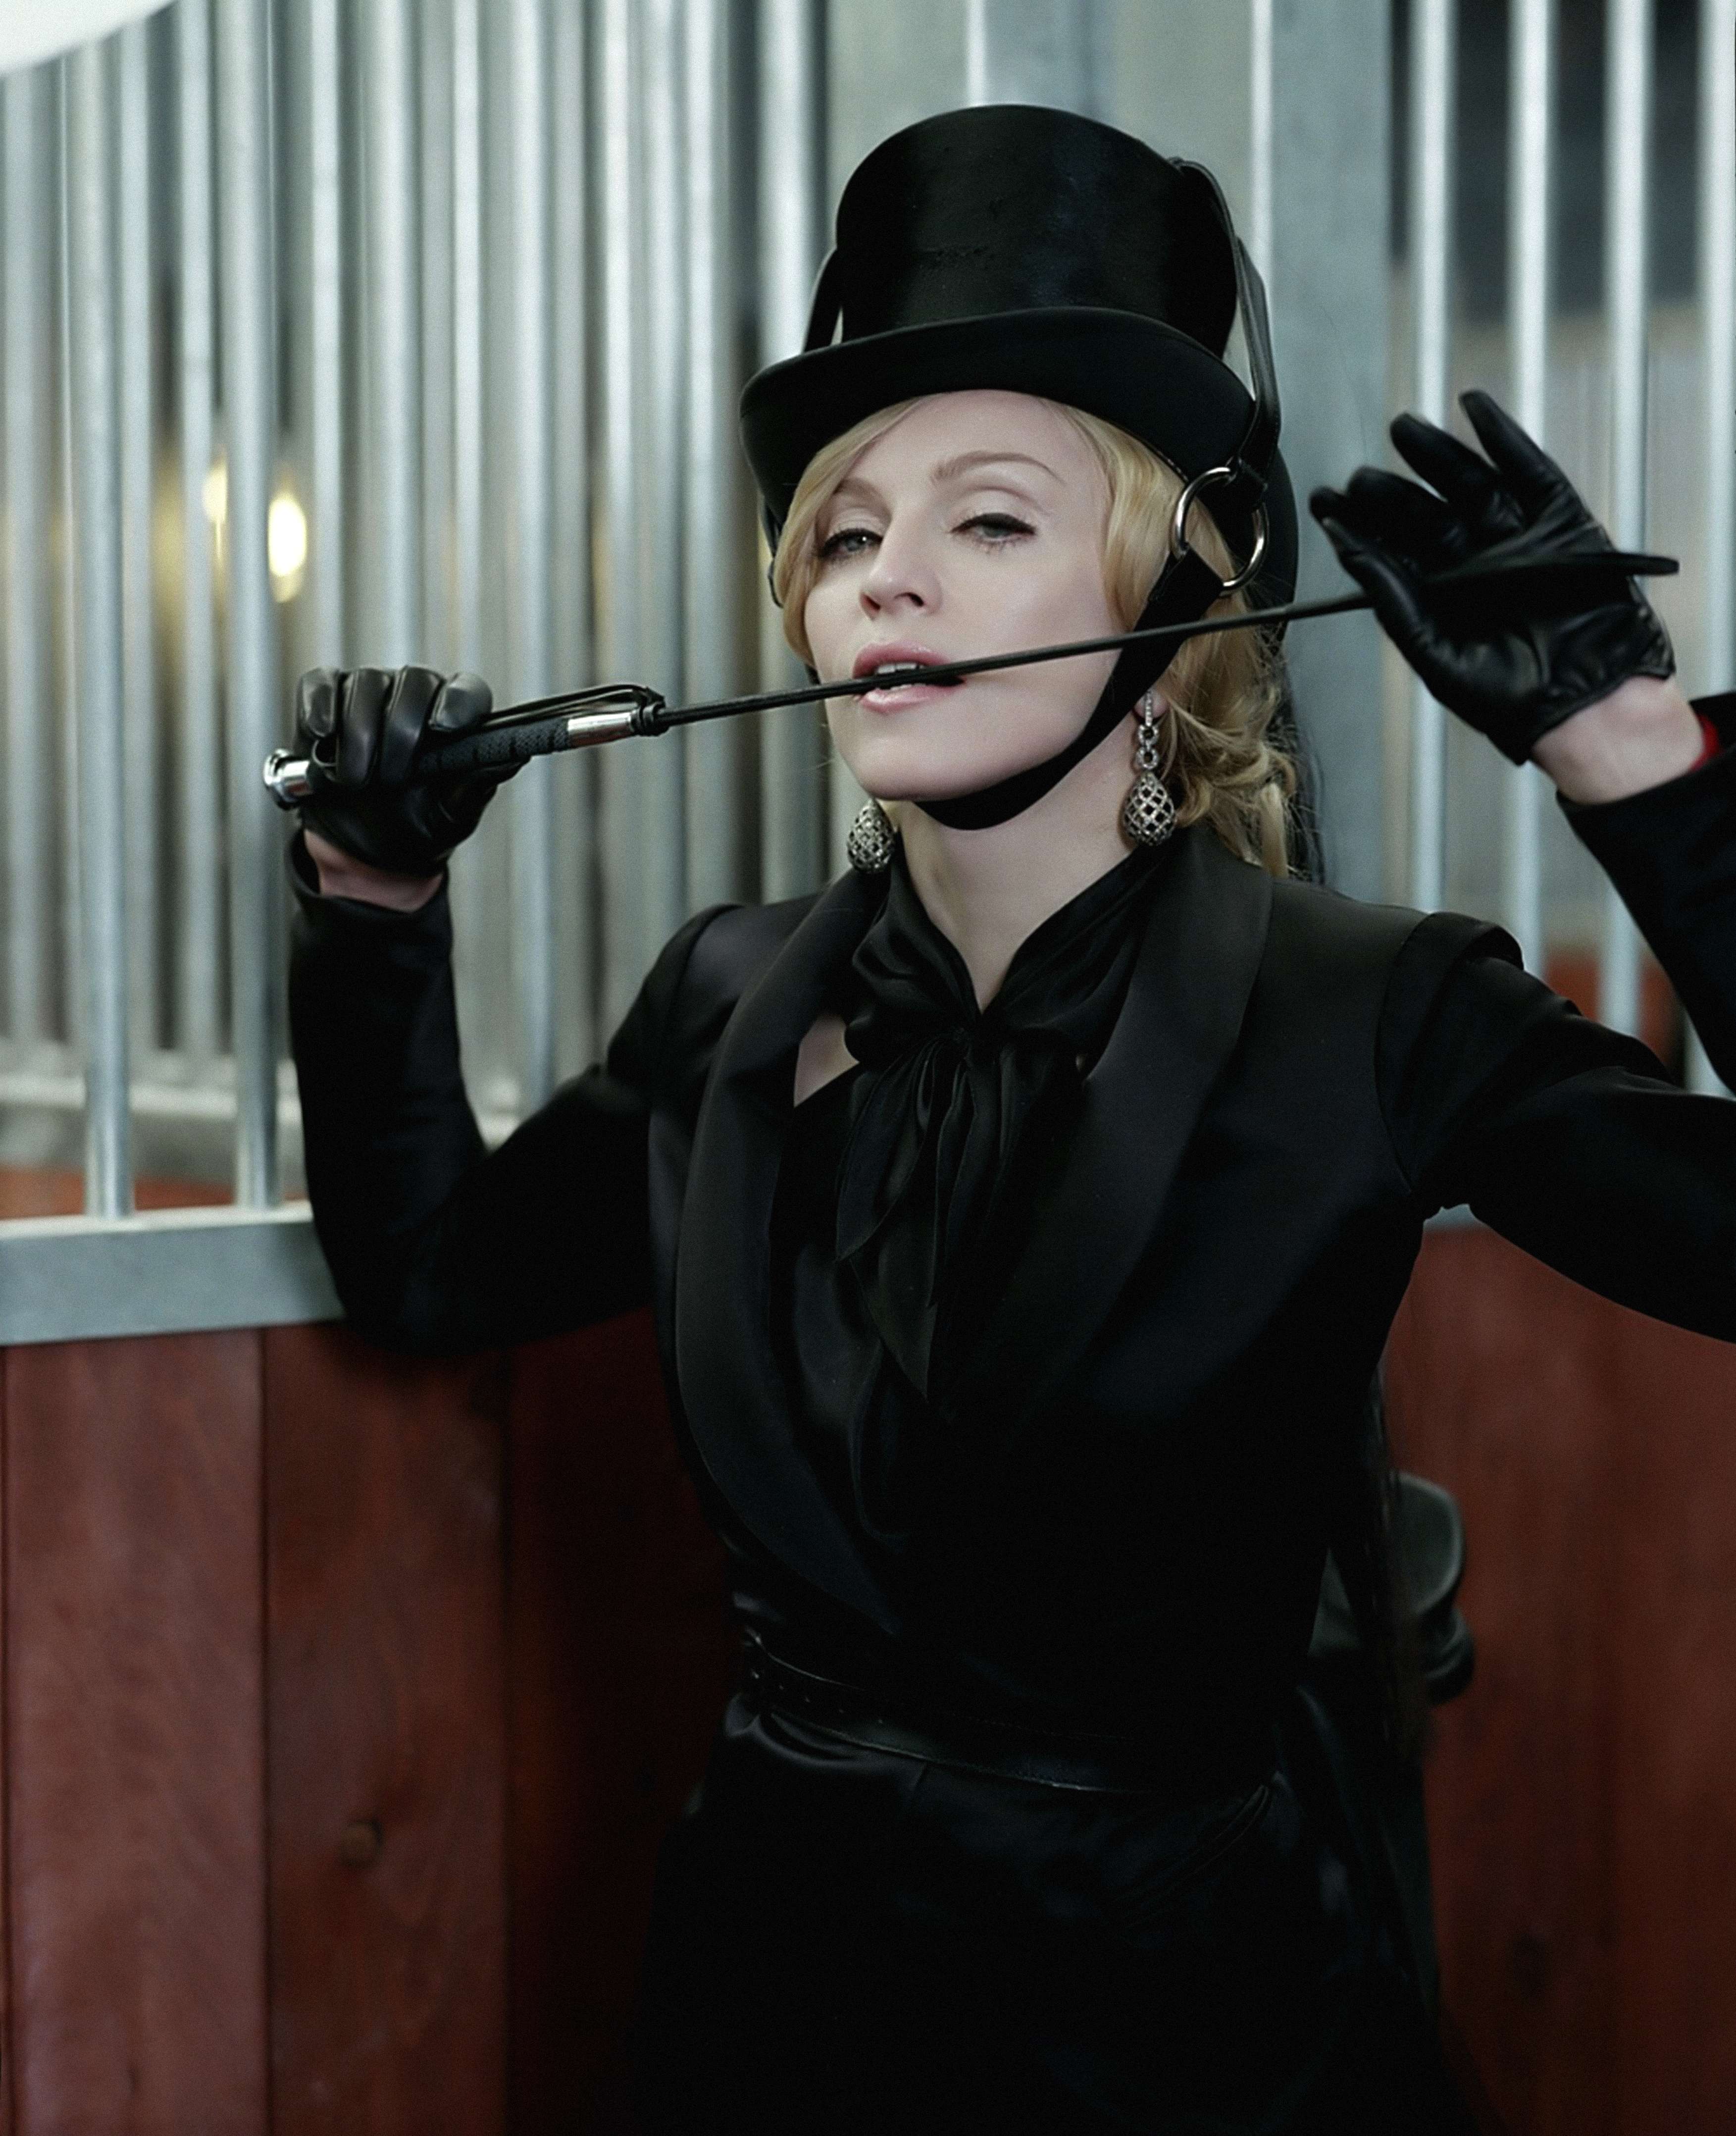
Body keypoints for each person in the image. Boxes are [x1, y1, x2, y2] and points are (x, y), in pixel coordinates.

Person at [284, 106, 1736, 2134]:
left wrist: (1632, 755)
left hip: (1195, 2045)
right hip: (762, 2029)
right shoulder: (724, 995)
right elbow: (431, 1273)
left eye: (987, 522)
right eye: (845, 535)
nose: (890, 577)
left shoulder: (1370, 1006)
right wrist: (372, 893)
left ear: (1166, 587)